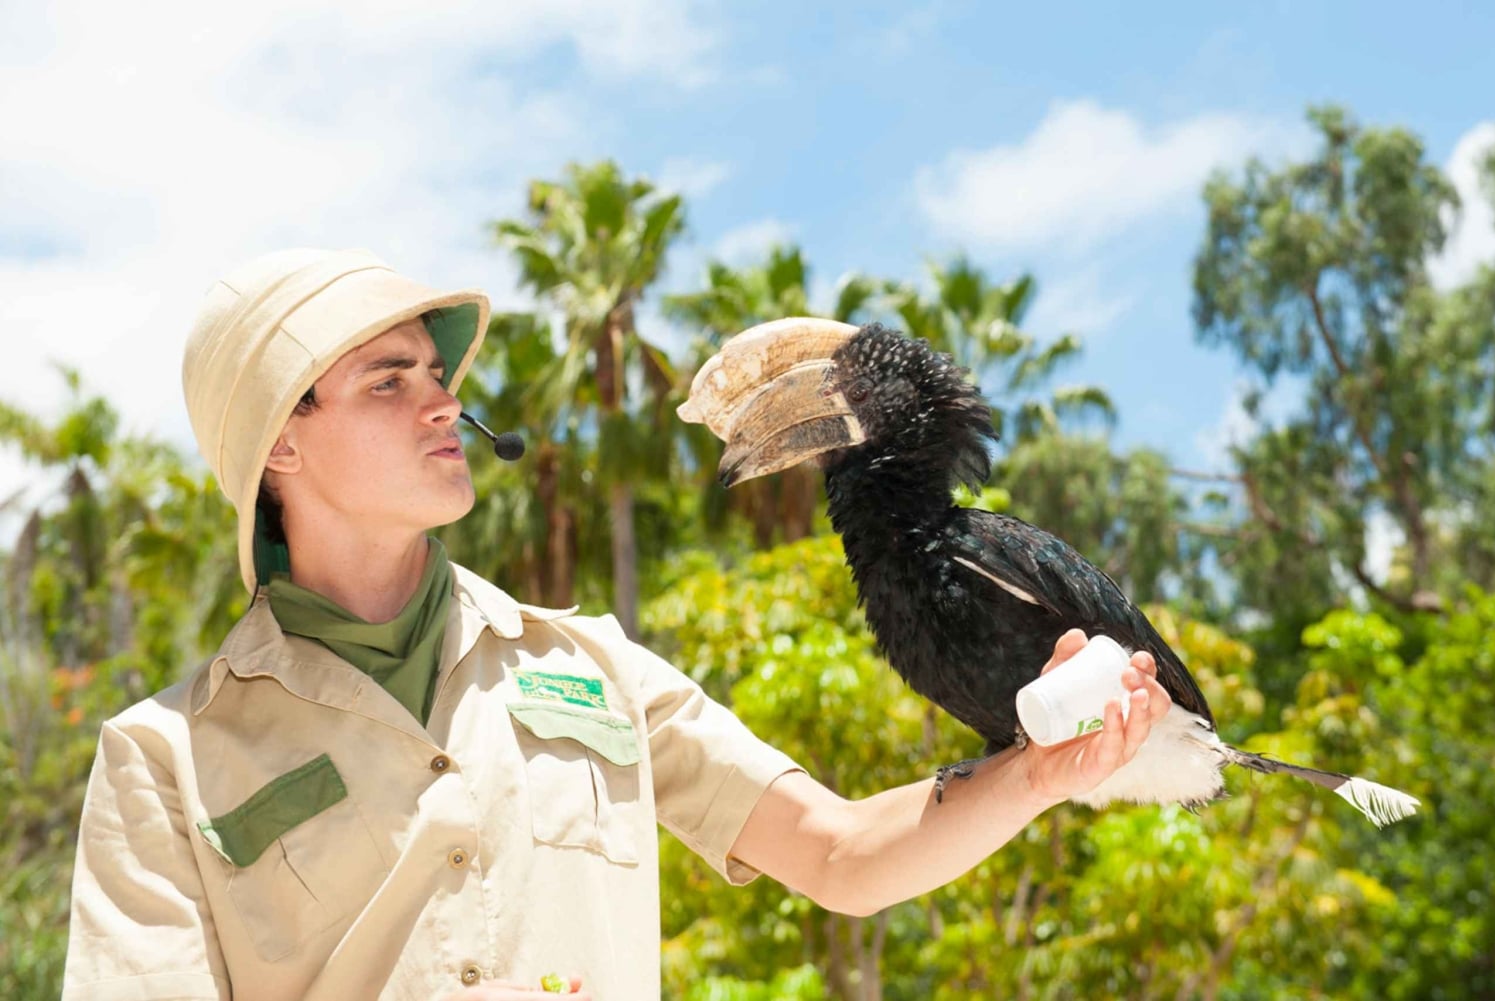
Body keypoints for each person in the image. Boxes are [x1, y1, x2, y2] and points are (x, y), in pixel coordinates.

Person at [61, 248, 1171, 1001]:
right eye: (388, 382)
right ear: (280, 445)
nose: (445, 401)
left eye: (439, 374)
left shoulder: (593, 664)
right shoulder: (163, 758)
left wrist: (1038, 771)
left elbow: (839, 854)